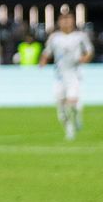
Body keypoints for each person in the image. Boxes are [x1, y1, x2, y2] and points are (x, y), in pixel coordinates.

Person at [39, 11, 94, 140]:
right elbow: (47, 52)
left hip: (74, 74)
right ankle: (69, 127)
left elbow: (89, 51)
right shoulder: (54, 37)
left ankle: (75, 118)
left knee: (72, 103)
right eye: (63, 20)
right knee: (61, 107)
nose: (66, 22)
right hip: (59, 76)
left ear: (73, 21)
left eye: (68, 19)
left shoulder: (80, 36)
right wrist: (43, 60)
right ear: (59, 22)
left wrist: (85, 58)